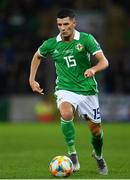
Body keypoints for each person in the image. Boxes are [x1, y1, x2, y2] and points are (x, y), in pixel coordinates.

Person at [29, 9, 109, 175]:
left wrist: (93, 69)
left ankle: (99, 156)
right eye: (59, 24)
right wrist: (32, 79)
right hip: (65, 89)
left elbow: (104, 62)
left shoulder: (86, 39)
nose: (62, 28)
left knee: (97, 133)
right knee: (65, 113)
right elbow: (37, 56)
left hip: (87, 90)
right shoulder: (51, 43)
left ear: (74, 23)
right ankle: (72, 155)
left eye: (66, 24)